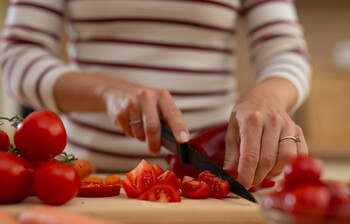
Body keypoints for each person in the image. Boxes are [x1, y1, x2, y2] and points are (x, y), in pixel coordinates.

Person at [1, 0, 310, 189]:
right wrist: (108, 93)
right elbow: (15, 57)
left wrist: (265, 98)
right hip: (83, 180)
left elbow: (286, 51)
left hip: (212, 174)